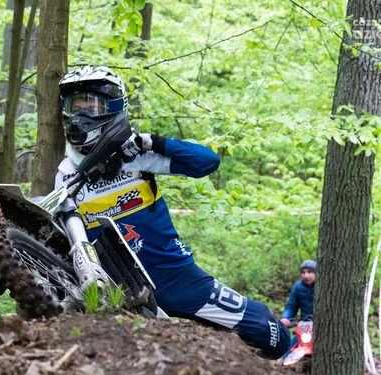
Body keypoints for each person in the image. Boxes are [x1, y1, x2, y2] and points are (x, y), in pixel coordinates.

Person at [55, 65, 290, 359]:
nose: (81, 115)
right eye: (75, 107)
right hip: (120, 287)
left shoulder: (136, 156)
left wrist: (152, 141)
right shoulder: (65, 175)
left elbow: (207, 162)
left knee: (273, 336)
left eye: (92, 106)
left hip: (175, 276)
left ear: (113, 107)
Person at [280, 260, 316, 327]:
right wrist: (285, 318)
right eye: (303, 272)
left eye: (309, 272)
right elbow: (291, 307)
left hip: (323, 325)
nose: (306, 276)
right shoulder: (298, 286)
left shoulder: (324, 287)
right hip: (304, 324)